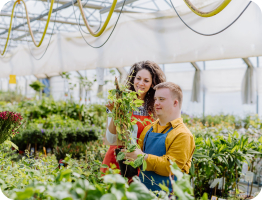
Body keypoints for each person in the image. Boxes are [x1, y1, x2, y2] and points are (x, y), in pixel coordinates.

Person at [123, 82, 195, 192]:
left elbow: (170, 167)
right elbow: (136, 155)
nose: (156, 103)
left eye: (161, 99)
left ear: (175, 103)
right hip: (145, 193)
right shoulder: (149, 129)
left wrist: (143, 157)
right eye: (155, 99)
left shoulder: (183, 134)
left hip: (168, 195)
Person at [101, 61, 166, 176]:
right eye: (138, 78)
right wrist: (115, 111)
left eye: (146, 81)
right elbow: (110, 139)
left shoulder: (155, 109)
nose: (141, 83)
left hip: (138, 164)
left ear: (152, 84)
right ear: (133, 79)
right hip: (115, 161)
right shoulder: (121, 101)